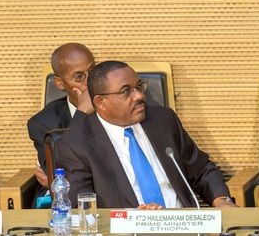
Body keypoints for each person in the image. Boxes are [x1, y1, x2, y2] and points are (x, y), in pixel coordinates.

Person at [54, 60, 236, 209]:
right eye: (127, 91)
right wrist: (131, 219)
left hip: (183, 225)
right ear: (100, 102)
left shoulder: (163, 120)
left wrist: (222, 200)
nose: (139, 95)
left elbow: (201, 169)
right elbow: (81, 207)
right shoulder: (75, 145)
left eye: (139, 86)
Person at [27, 43, 95, 190]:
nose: (89, 82)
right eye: (79, 77)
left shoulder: (118, 106)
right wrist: (81, 114)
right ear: (60, 83)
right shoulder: (42, 124)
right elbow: (60, 175)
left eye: (93, 71)